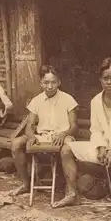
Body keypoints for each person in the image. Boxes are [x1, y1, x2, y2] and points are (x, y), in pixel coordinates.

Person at [53, 57, 111, 221]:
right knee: (66, 149)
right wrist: (100, 146)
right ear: (100, 79)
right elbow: (95, 130)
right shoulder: (96, 101)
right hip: (107, 148)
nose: (109, 82)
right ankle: (72, 194)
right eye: (105, 78)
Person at [9, 65, 79, 196]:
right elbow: (29, 125)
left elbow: (74, 126)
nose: (50, 86)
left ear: (59, 82)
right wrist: (30, 136)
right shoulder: (36, 101)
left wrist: (64, 133)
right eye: (46, 82)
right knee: (15, 144)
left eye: (53, 82)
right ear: (41, 83)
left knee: (67, 148)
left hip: (63, 136)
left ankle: (71, 192)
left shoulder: (68, 99)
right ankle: (25, 183)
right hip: (43, 136)